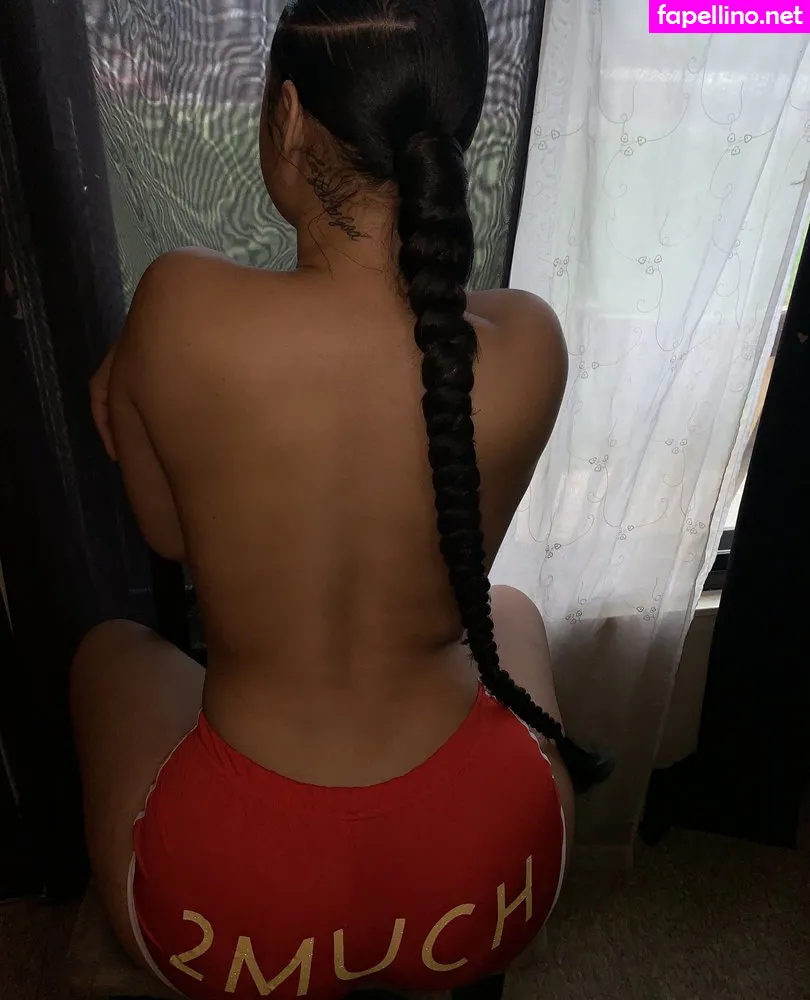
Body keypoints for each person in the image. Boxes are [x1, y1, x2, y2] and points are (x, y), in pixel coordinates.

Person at [71, 2, 611, 998]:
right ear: (456, 132)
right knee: (513, 609)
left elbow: (167, 534)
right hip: (494, 872)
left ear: (285, 117)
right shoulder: (531, 342)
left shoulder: (179, 305)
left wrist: (139, 379)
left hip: (239, 912)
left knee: (108, 651)